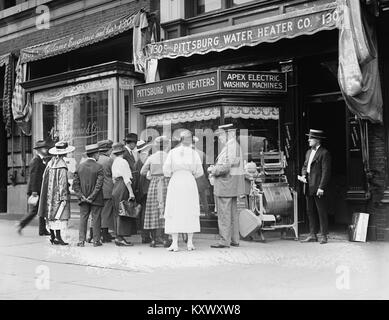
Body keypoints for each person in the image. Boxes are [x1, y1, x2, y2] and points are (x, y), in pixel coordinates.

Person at [163, 130, 204, 252]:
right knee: (189, 209)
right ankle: (190, 243)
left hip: (176, 181)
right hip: (189, 182)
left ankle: (175, 243)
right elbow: (199, 172)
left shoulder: (172, 152)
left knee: (174, 209)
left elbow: (166, 170)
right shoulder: (194, 153)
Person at [209, 124, 245, 249]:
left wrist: (213, 170)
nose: (219, 139)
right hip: (231, 185)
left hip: (225, 185)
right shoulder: (234, 146)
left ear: (228, 134)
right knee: (233, 214)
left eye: (220, 135)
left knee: (224, 214)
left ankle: (224, 241)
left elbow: (225, 167)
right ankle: (235, 239)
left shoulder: (231, 147)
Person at [38, 141, 74, 245]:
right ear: (65, 153)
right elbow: (62, 182)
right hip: (58, 194)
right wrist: (64, 196)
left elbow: (44, 178)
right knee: (59, 215)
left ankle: (53, 236)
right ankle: (58, 237)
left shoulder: (50, 162)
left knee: (51, 216)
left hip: (49, 194)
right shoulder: (62, 165)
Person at [300, 129, 331, 244]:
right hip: (308, 185)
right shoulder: (308, 152)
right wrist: (303, 175)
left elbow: (326, 172)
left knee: (321, 211)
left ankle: (324, 235)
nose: (308, 140)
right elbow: (304, 166)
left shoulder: (324, 153)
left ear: (317, 140)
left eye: (311, 138)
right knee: (310, 211)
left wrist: (321, 187)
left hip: (318, 186)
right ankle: (312, 234)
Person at [141, 136, 170, 248]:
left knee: (153, 210)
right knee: (166, 209)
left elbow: (143, 172)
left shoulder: (151, 157)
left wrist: (151, 176)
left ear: (156, 147)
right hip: (166, 183)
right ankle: (165, 238)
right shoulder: (169, 156)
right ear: (166, 145)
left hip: (154, 184)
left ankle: (154, 239)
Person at [73, 144, 104, 247]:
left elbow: (75, 184)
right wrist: (91, 197)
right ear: (95, 155)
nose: (99, 155)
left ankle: (81, 241)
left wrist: (81, 196)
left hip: (83, 198)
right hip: (96, 198)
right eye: (98, 153)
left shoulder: (80, 167)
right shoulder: (99, 167)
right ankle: (96, 241)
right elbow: (99, 185)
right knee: (96, 218)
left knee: (83, 218)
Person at [17, 140, 50, 236]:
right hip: (36, 190)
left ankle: (42, 230)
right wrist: (34, 191)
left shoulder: (40, 160)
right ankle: (21, 224)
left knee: (41, 209)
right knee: (36, 210)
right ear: (39, 150)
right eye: (44, 148)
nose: (46, 149)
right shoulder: (36, 160)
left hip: (39, 189)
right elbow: (34, 177)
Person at [111, 142, 137, 246]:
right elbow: (127, 178)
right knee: (124, 210)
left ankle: (118, 236)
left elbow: (113, 178)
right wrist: (131, 192)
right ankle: (121, 236)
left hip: (116, 186)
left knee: (118, 211)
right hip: (123, 186)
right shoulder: (123, 162)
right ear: (122, 152)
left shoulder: (115, 162)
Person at [97, 139, 115, 243]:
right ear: (107, 150)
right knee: (106, 213)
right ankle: (104, 234)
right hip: (107, 188)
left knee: (97, 212)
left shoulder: (96, 159)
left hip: (97, 190)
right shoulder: (109, 160)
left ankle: (97, 233)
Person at [135, 140, 153, 244]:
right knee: (146, 213)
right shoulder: (146, 158)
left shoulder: (137, 160)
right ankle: (146, 235)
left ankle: (145, 235)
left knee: (143, 213)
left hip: (141, 189)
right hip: (147, 188)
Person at [193, 136, 211, 216]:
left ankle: (194, 214)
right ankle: (207, 213)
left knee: (192, 197)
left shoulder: (185, 154)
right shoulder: (201, 153)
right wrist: (207, 178)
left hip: (191, 178)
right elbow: (206, 168)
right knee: (203, 197)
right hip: (200, 178)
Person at [123, 133, 140, 201]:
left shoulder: (128, 152)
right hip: (128, 182)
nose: (136, 145)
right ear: (132, 143)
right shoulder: (124, 152)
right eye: (135, 143)